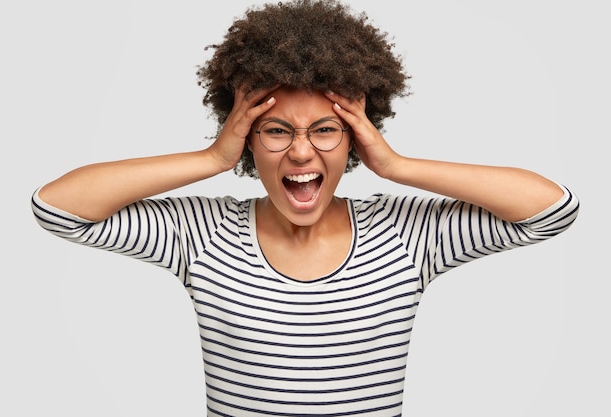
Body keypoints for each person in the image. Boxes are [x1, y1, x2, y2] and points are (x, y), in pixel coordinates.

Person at [32, 0, 579, 415]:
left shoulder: (407, 236)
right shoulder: (201, 233)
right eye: (274, 130)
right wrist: (212, 157)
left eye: (325, 130)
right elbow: (57, 207)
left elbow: (551, 209)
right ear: (247, 139)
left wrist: (397, 167)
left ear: (355, 141)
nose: (300, 150)